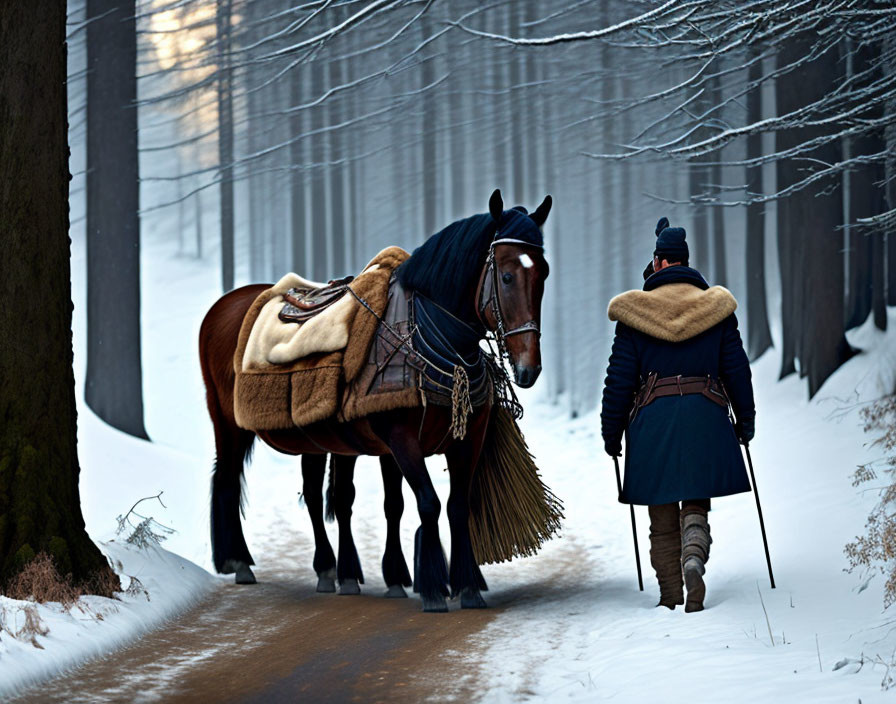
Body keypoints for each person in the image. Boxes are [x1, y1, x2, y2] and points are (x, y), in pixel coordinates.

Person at [600, 223, 755, 612]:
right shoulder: (715, 308)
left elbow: (619, 379)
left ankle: (670, 595)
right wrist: (746, 420)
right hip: (707, 415)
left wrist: (611, 431)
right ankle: (693, 559)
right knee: (695, 502)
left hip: (652, 423)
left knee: (661, 514)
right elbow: (737, 370)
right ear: (685, 261)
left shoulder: (635, 312)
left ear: (659, 262)